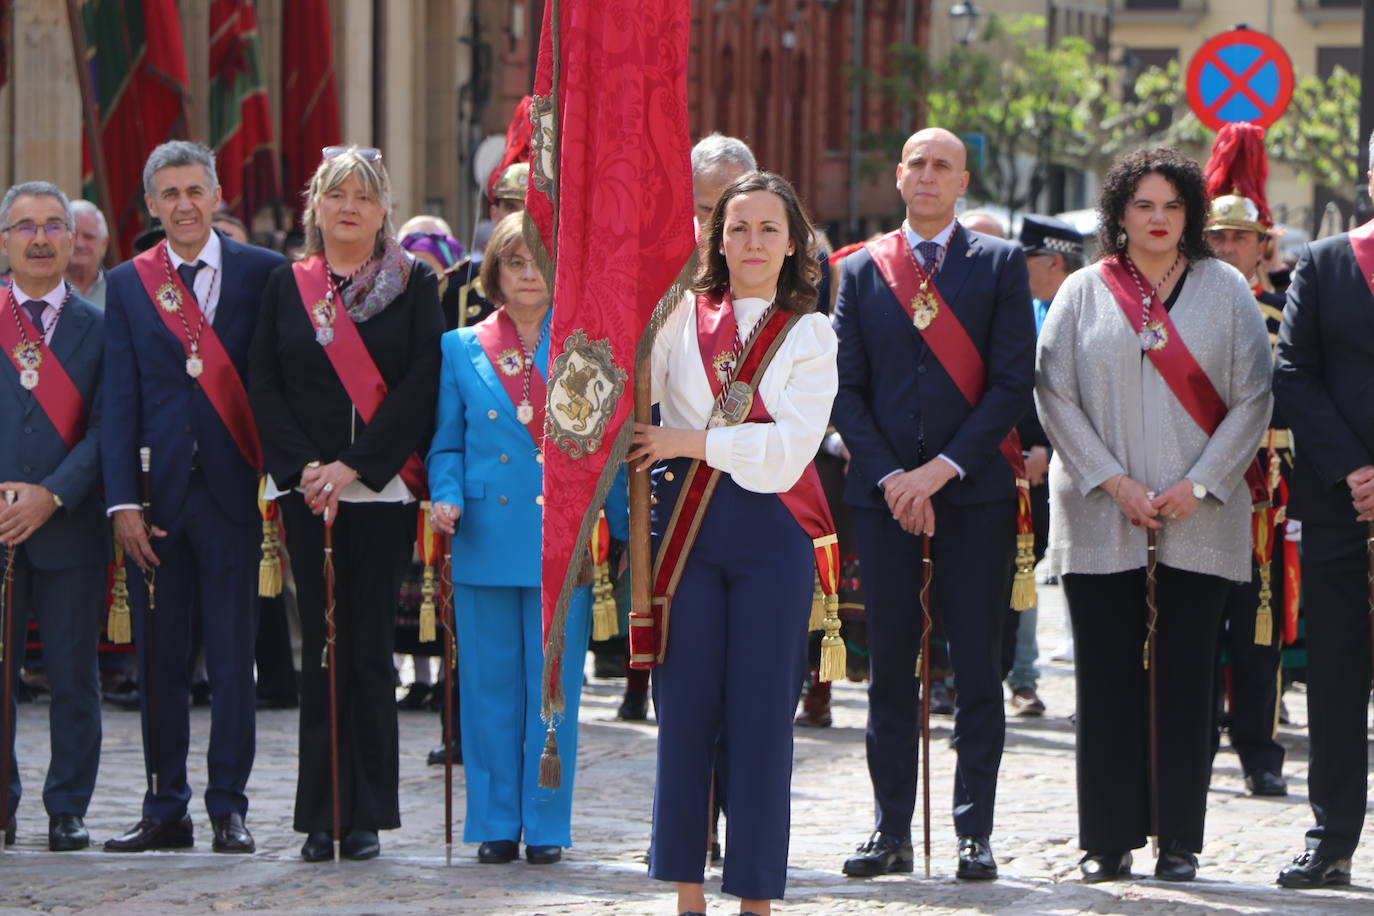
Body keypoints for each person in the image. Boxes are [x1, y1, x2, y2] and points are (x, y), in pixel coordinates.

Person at [1036, 147, 1271, 883]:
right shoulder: (1081, 294)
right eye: (1144, 206)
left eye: (1172, 205)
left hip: (1198, 517)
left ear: (1192, 213)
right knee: (1105, 678)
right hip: (1103, 516)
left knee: (1184, 678)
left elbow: (1254, 398)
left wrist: (1197, 484)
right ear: (1119, 213)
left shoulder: (1226, 289)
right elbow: (1053, 393)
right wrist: (1113, 481)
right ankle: (1105, 838)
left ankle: (1179, 839)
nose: (1159, 219)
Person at [629, 170, 836, 915]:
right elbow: (631, 389)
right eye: (737, 226)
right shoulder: (680, 315)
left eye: (768, 229)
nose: (752, 242)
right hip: (687, 532)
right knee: (684, 714)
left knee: (761, 724)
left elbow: (787, 453)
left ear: (792, 244)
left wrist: (688, 437)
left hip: (772, 536)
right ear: (715, 237)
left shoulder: (812, 334)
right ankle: (688, 892)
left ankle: (756, 897)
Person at [834, 128, 1033, 881]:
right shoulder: (859, 270)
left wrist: (940, 471)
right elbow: (845, 389)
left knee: (978, 667)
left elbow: (1013, 385)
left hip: (972, 492)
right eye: (915, 163)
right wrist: (893, 478)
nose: (925, 175)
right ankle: (890, 829)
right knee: (889, 668)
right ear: (897, 177)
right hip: (882, 496)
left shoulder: (999, 263)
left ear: (962, 182)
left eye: (940, 165)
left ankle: (973, 831)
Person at [249, 145, 441, 862]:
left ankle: (365, 813)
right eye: (337, 194)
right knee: (322, 652)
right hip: (308, 493)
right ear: (316, 209)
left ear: (384, 206)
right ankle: (318, 814)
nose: (350, 206)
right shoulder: (285, 285)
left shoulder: (415, 282)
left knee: (367, 650)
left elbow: (423, 379)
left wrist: (355, 465)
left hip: (380, 488)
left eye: (364, 194)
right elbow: (263, 381)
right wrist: (308, 469)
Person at [101, 141, 284, 853]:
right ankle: (164, 804)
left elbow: (274, 382)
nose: (182, 204)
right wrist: (120, 504)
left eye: (194, 190)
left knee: (236, 661)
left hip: (236, 493)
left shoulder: (263, 275)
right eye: (168, 193)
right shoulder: (127, 283)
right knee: (160, 660)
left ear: (216, 197)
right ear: (151, 204)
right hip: (157, 502)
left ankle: (228, 806)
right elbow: (118, 399)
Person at [428, 210, 622, 865]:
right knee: (487, 692)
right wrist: (446, 494)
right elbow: (445, 444)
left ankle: (544, 825)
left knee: (553, 691)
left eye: (539, 261)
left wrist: (617, 528)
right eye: (515, 262)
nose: (529, 274)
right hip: (483, 530)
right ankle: (492, 822)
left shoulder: (584, 348)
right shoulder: (460, 347)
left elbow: (598, 450)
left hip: (557, 538)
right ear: (495, 273)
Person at [1271, 132, 1374, 890]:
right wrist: (1357, 467)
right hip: (1343, 505)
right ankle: (1332, 838)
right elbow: (1294, 373)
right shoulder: (1327, 261)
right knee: (1336, 679)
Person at [0, 182, 107, 851]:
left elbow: (110, 427)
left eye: (52, 226)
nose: (39, 239)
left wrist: (53, 493)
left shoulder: (101, 327)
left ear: (73, 239)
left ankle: (67, 807)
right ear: (6, 241)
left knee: (73, 676)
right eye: (24, 227)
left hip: (70, 525)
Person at [1201, 123, 1291, 799]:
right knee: (1198, 631)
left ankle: (1259, 750)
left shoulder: (1288, 314)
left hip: (1265, 494)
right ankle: (1194, 744)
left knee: (1260, 630)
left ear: (1263, 247)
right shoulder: (1184, 314)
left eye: (1240, 237)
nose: (1229, 247)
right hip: (1199, 493)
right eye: (1219, 236)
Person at [1005, 214, 1085, 717]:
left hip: (1077, 473)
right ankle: (1015, 674)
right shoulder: (1023, 308)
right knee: (1019, 572)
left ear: (1053, 263)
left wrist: (1052, 452)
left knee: (1078, 579)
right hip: (1020, 469)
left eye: (1027, 259)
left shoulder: (1088, 313)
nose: (1019, 268)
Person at [65, 200, 109, 307]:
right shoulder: (43, 289)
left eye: (88, 237)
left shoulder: (120, 290)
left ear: (104, 244)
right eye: (73, 236)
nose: (79, 244)